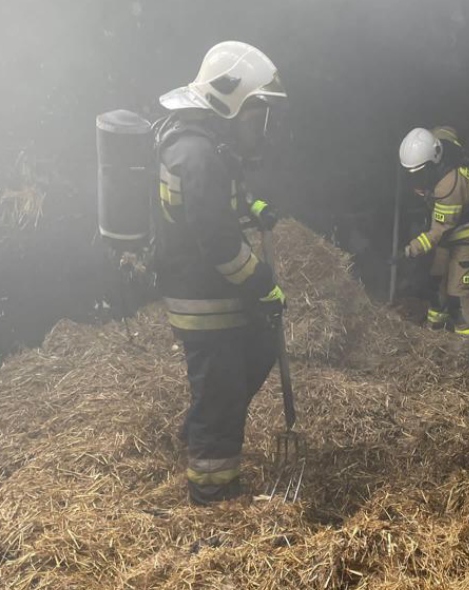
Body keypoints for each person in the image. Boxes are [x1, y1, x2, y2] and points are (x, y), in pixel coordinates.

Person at [154, 41, 287, 505]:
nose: (261, 126)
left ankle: (201, 427)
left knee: (256, 351)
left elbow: (216, 200)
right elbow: (217, 239)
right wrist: (260, 283)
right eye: (256, 112)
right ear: (230, 101)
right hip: (204, 300)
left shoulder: (205, 144)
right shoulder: (198, 152)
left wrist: (253, 206)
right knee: (221, 391)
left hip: (212, 293)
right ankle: (215, 494)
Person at [397, 126, 469, 340]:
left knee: (458, 293)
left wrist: (410, 250)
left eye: (421, 173)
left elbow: (439, 232)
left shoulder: (448, 188)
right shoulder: (439, 141)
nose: (417, 179)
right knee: (437, 279)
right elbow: (446, 130)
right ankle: (434, 333)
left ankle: (468, 346)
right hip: (452, 229)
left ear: (433, 161)